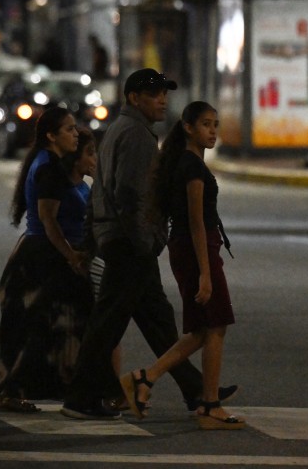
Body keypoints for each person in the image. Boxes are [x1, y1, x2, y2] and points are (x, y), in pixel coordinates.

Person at [61, 69, 235, 421]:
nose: (162, 99)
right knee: (107, 322)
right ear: (133, 98)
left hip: (124, 239)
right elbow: (129, 195)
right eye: (153, 93)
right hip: (130, 242)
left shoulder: (120, 130)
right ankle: (80, 397)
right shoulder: (136, 135)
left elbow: (101, 190)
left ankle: (195, 390)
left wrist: (92, 238)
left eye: (164, 93)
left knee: (157, 319)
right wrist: (146, 241)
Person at [118, 101, 244, 430]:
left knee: (203, 330)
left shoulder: (187, 163)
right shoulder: (191, 167)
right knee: (215, 326)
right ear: (188, 127)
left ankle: (144, 378)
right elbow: (196, 221)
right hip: (194, 248)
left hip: (190, 248)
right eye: (206, 124)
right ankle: (210, 405)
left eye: (215, 124)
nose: (212, 131)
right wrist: (205, 273)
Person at [0, 110, 93, 412]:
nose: (75, 134)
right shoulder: (48, 169)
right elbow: (49, 221)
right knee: (36, 327)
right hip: (39, 260)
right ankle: (9, 391)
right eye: (69, 129)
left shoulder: (53, 165)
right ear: (52, 136)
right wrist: (71, 256)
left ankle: (67, 387)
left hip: (46, 255)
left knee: (59, 326)